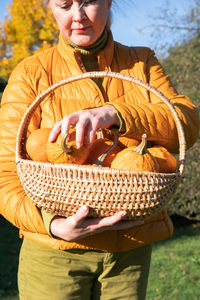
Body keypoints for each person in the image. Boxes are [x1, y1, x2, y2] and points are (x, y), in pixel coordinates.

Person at [0, 0, 199, 299]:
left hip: (129, 251)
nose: (77, 17)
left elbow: (186, 122)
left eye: (89, 2)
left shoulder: (141, 62)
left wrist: (116, 114)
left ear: (108, 2)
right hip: (54, 256)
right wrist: (52, 224)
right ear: (50, 6)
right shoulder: (31, 74)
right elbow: (4, 174)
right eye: (64, 5)